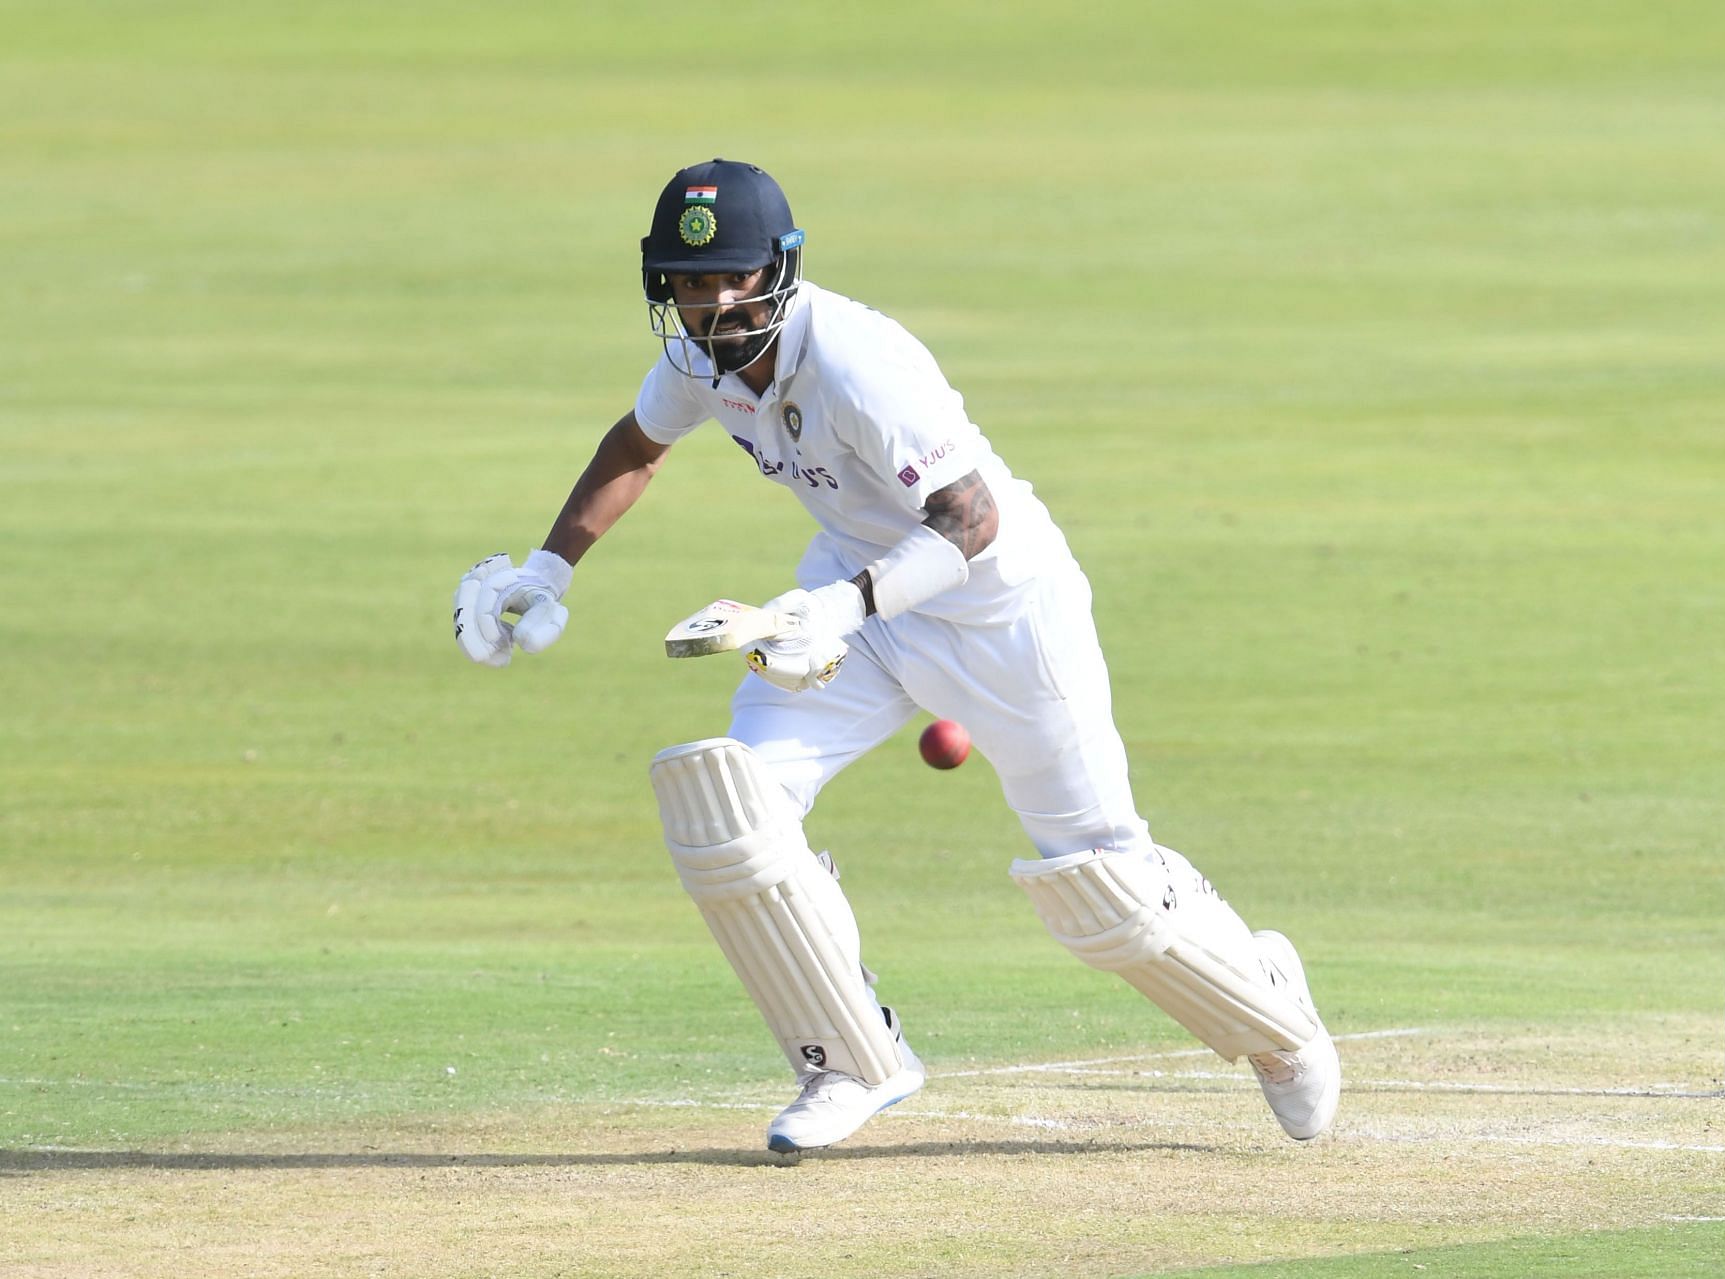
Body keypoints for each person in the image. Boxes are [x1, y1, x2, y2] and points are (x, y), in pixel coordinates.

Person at [453, 158, 1340, 1153]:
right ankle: (851, 1060)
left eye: (732, 280)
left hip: (999, 611)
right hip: (858, 599)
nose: (711, 307)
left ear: (780, 271)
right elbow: (635, 446)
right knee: (731, 806)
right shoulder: (702, 361)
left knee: (1104, 886)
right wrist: (549, 568)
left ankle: (1277, 1022)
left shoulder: (859, 362)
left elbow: (971, 521)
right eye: (690, 285)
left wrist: (836, 607)